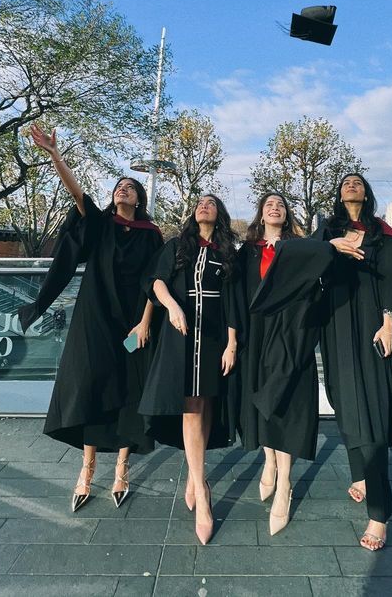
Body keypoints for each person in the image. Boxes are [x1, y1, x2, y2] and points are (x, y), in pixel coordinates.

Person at [17, 124, 164, 513]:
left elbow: (156, 280)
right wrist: (54, 154)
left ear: (140, 197)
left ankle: (122, 467)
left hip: (133, 320)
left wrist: (146, 321)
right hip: (94, 316)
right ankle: (87, 467)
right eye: (119, 185)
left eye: (131, 187)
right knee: (88, 384)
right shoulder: (100, 223)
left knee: (130, 389)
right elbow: (76, 192)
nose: (123, 189)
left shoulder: (151, 234)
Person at [314, 172, 392, 552]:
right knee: (343, 398)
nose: (350, 185)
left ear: (366, 192)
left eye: (357, 181)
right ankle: (361, 474)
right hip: (336, 322)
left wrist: (389, 323)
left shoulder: (382, 233)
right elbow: (308, 266)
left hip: (373, 321)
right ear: (338, 194)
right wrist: (330, 247)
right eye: (344, 182)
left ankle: (379, 512)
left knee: (370, 410)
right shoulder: (327, 231)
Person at [138, 194, 243, 545]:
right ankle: (202, 489)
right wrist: (171, 307)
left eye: (212, 203)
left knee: (206, 402)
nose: (204, 205)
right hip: (181, 334)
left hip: (214, 336)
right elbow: (156, 280)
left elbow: (234, 300)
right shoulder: (176, 245)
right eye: (199, 202)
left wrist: (231, 343)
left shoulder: (228, 252)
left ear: (220, 213)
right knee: (191, 407)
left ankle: (194, 474)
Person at [238, 192, 332, 535]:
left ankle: (285, 485)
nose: (274, 208)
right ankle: (269, 463)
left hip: (294, 332)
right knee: (263, 400)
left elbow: (324, 262)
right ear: (260, 215)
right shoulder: (248, 251)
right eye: (268, 205)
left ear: (286, 213)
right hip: (258, 333)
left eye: (280, 204)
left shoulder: (300, 247)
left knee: (290, 404)